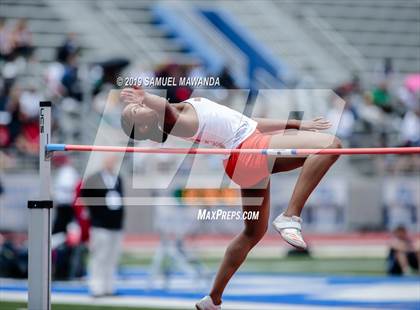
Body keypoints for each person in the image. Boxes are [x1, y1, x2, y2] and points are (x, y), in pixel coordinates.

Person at [119, 87, 340, 310]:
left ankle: (213, 299)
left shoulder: (184, 109)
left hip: (243, 154)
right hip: (247, 150)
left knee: (253, 232)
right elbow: (164, 107)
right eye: (137, 109)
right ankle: (290, 216)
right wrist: (144, 96)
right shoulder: (175, 122)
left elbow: (248, 122)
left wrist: (296, 124)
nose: (140, 104)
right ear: (146, 126)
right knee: (331, 145)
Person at [80, 155, 125, 297]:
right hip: (100, 224)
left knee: (112, 258)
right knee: (99, 257)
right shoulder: (94, 179)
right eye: (109, 160)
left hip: (116, 225)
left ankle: (108, 288)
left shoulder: (118, 178)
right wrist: (95, 213)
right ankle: (96, 288)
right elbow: (85, 197)